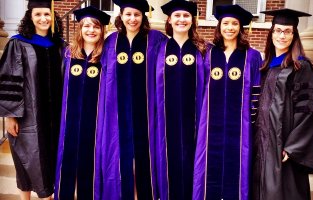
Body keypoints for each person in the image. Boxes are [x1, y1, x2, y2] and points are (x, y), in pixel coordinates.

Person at [94, 0, 166, 199]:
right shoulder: (111, 41)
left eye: (136, 14)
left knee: (146, 157)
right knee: (120, 157)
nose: (132, 19)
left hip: (148, 112)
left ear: (143, 16)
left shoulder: (157, 39)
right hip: (118, 112)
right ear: (121, 16)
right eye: (128, 14)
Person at [192, 4, 262, 200]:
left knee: (237, 168)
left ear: (241, 28)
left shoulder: (252, 56)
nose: (229, 27)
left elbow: (256, 92)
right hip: (210, 126)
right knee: (207, 168)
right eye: (226, 23)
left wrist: (252, 122)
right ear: (219, 26)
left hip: (240, 127)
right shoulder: (208, 54)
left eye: (234, 24)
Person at [0, 0, 64, 199]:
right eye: (38, 15)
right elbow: (8, 79)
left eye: (47, 14)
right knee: (26, 161)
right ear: (30, 17)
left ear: (53, 17)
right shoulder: (17, 43)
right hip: (28, 116)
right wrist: (10, 116)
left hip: (55, 116)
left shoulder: (61, 45)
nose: (43, 19)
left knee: (50, 160)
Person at [252, 8, 313, 200]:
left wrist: (292, 147)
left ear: (294, 34)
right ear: (271, 33)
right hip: (261, 142)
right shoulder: (266, 66)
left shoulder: (301, 66)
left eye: (287, 31)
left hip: (282, 146)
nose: (282, 35)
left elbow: (308, 111)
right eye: (278, 30)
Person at [53, 6, 110, 200]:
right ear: (80, 28)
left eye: (96, 26)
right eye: (86, 26)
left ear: (102, 30)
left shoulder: (107, 56)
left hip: (95, 124)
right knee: (66, 162)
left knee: (91, 164)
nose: (91, 30)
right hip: (68, 121)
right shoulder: (68, 55)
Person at [155, 0, 207, 199]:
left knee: (192, 159)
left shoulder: (203, 50)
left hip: (195, 121)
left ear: (192, 20)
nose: (181, 20)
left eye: (186, 16)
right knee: (168, 160)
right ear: (169, 19)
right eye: (177, 16)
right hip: (165, 120)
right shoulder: (158, 49)